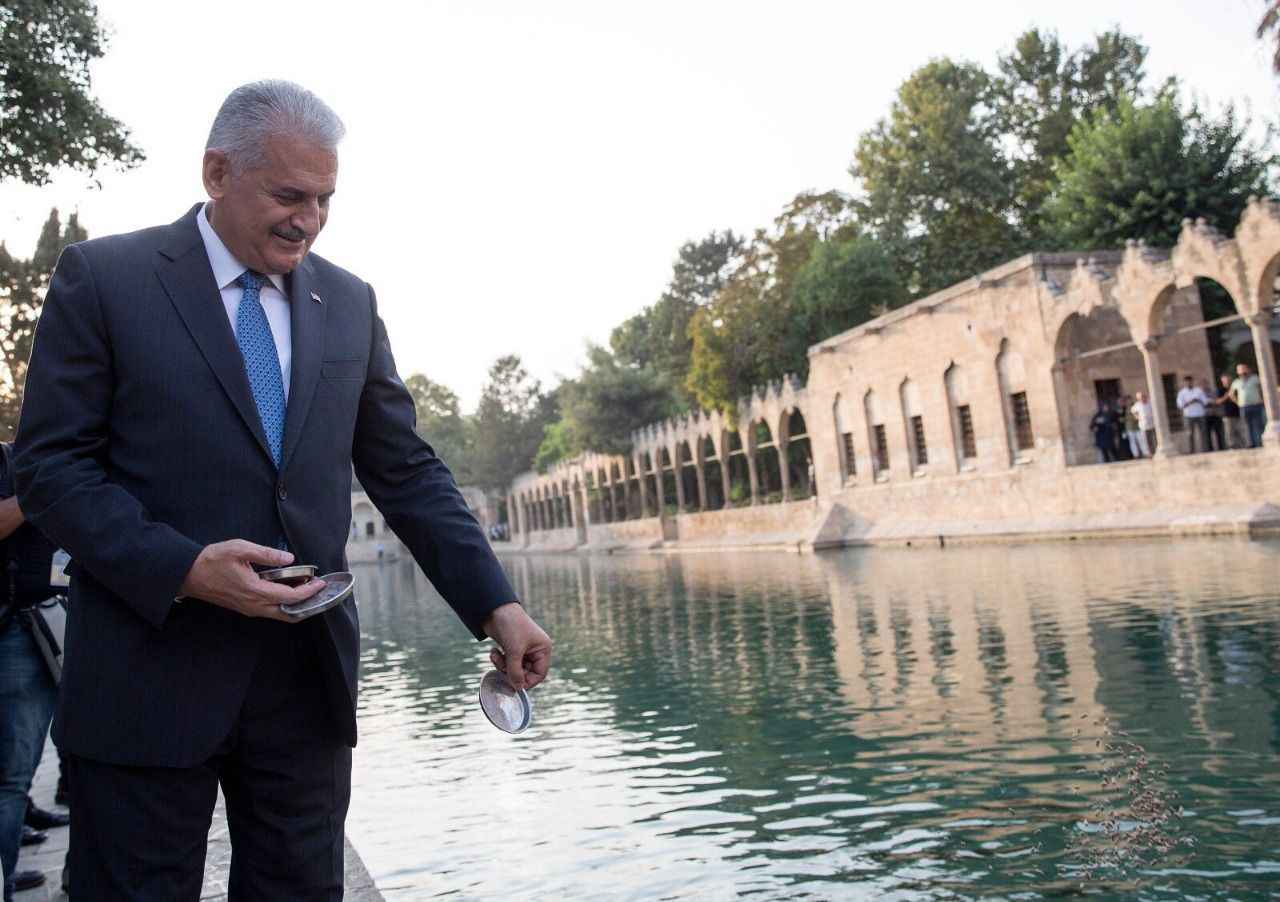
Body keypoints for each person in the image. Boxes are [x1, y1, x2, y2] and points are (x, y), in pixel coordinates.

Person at [14, 80, 553, 899]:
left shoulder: (349, 302)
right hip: (145, 684)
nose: (309, 217)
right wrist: (186, 567)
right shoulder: (104, 279)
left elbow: (404, 469)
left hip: (304, 692)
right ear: (218, 171)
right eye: (289, 194)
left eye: (326, 198)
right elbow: (51, 471)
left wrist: (496, 604)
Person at [0, 442, 60, 900]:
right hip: (14, 632)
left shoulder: (15, 456)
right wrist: (39, 492)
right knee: (12, 777)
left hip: (37, 624)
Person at [1231, 363, 1266, 448]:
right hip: (1244, 407)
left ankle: (1260, 443)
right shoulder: (1236, 382)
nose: (1242, 371)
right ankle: (1251, 444)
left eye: (1243, 369)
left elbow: (1261, 389)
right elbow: (1231, 394)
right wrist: (1238, 402)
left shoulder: (1255, 378)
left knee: (1259, 425)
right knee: (1247, 426)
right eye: (1240, 369)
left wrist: (1262, 399)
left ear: (1247, 369)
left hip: (1256, 405)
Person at [1176, 375, 1209, 454]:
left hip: (1200, 414)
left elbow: (1206, 402)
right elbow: (1180, 405)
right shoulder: (1182, 393)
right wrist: (1191, 402)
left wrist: (1198, 400)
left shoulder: (1198, 391)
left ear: (1192, 382)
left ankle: (1205, 450)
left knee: (1203, 433)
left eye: (1190, 381)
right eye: (1187, 382)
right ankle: (1192, 451)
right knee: (1190, 434)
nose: (1189, 383)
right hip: (1188, 416)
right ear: (1184, 383)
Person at [1216, 373, 1245, 449]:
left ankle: (1241, 445)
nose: (1227, 381)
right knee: (1229, 432)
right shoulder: (1220, 390)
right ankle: (1232, 446)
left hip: (1237, 413)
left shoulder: (1235, 388)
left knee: (1239, 431)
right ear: (1222, 381)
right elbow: (1218, 401)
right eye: (1225, 380)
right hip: (1227, 414)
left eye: (1228, 380)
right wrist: (1227, 396)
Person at [1201, 378, 1226, 452]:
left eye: (1206, 383)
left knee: (1219, 433)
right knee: (1207, 434)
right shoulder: (1200, 393)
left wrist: (1214, 402)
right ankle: (1209, 450)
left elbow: (1218, 402)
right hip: (1206, 415)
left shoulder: (1214, 391)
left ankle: (1222, 448)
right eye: (1203, 384)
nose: (1205, 385)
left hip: (1216, 415)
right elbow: (1205, 403)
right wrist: (1215, 402)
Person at [1131, 392, 1155, 457]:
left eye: (1142, 397)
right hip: (1144, 426)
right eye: (1140, 398)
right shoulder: (1137, 405)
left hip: (1153, 424)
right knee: (1147, 441)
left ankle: (1155, 451)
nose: (1142, 399)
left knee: (1154, 439)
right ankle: (1150, 454)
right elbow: (1133, 411)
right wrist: (1137, 417)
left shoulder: (1150, 402)